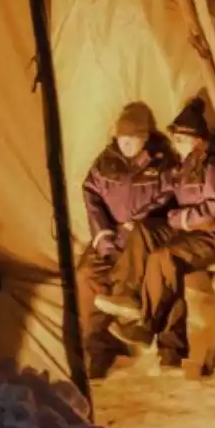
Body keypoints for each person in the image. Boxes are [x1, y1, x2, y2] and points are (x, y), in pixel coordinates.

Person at [92, 97, 215, 369]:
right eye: (176, 140)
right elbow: (170, 193)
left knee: (164, 258)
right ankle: (130, 296)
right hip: (197, 231)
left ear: (198, 140)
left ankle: (145, 325)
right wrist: (143, 217)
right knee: (146, 231)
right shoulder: (188, 165)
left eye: (181, 140)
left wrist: (180, 220)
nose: (176, 146)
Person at [79, 101, 174, 377]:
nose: (126, 146)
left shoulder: (162, 161)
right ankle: (98, 348)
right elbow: (91, 194)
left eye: (131, 140)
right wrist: (102, 233)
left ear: (144, 138)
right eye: (122, 139)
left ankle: (128, 320)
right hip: (113, 235)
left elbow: (168, 194)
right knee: (87, 273)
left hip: (144, 235)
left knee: (124, 273)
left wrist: (141, 220)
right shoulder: (106, 162)